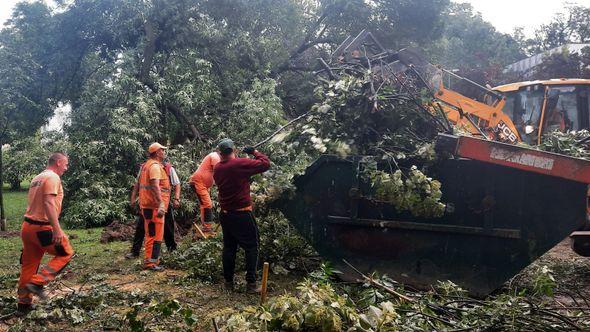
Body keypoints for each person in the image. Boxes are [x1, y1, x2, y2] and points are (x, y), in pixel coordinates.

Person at [17, 152, 74, 314]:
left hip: (27, 228)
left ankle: (23, 304)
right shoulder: (53, 178)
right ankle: (37, 283)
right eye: (65, 164)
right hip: (42, 228)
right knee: (66, 253)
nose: (66, 167)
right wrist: (57, 229)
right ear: (58, 162)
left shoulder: (37, 178)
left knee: (29, 265)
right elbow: (49, 203)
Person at [213, 139, 270, 293]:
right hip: (242, 213)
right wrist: (254, 152)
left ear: (220, 152)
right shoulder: (239, 164)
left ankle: (228, 283)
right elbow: (265, 164)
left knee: (229, 247)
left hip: (226, 214)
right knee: (252, 246)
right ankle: (251, 283)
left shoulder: (218, 168)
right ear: (234, 150)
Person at [126, 159, 180, 259]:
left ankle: (171, 249)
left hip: (164, 204)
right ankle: (135, 252)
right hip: (149, 203)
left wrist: (176, 199)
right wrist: (133, 198)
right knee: (141, 227)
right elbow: (138, 184)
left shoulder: (168, 168)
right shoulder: (145, 167)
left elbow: (176, 184)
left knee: (168, 227)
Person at [137, 143, 171, 271]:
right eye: (162, 150)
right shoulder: (155, 166)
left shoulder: (147, 165)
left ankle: (151, 261)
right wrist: (161, 203)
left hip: (148, 205)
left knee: (151, 233)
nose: (164, 152)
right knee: (155, 235)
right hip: (154, 207)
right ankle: (151, 263)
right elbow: (155, 186)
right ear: (157, 152)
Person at [189, 150, 221, 233]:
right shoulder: (215, 156)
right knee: (207, 204)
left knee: (204, 204)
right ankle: (207, 227)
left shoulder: (218, 158)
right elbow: (218, 171)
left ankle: (206, 226)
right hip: (198, 182)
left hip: (204, 184)